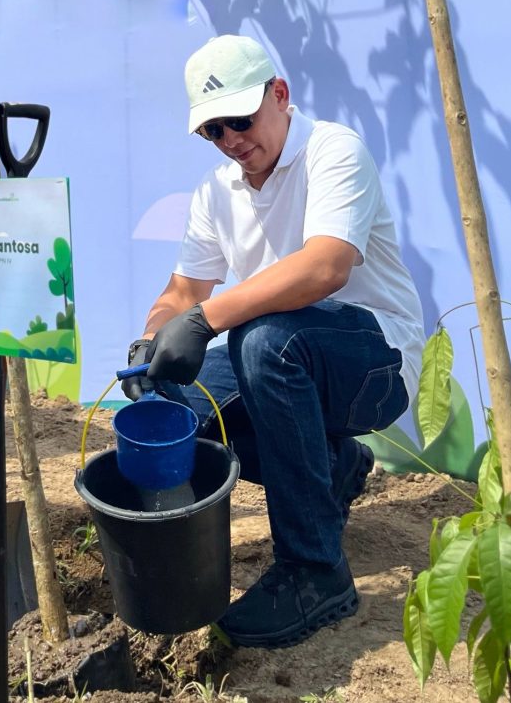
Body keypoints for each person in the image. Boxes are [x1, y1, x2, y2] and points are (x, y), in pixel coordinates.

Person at [122, 34, 425, 649]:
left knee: (263, 342)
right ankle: (333, 469)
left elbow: (325, 267)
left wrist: (206, 321)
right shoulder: (216, 192)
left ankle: (316, 572)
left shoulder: (333, 151)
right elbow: (183, 289)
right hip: (283, 356)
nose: (232, 139)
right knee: (172, 400)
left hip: (376, 365)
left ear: (280, 95)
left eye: (241, 119)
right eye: (214, 130)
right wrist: (153, 338)